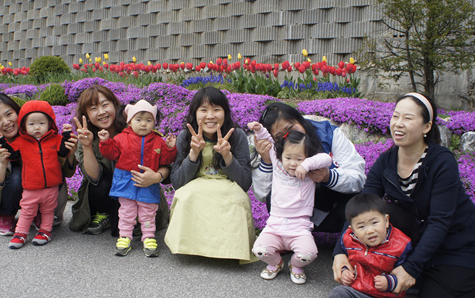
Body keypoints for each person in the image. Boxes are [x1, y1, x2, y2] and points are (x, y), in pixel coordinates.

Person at [332, 93, 475, 298]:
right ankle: (421, 271)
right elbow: (361, 207)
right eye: (395, 116)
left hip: (456, 244)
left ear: (427, 126)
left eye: (408, 118)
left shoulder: (442, 162)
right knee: (382, 212)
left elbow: (440, 221)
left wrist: (410, 268)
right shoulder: (386, 161)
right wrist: (340, 252)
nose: (398, 123)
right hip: (418, 239)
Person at [165, 86, 256, 262]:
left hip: (227, 184)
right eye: (203, 110)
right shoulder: (185, 136)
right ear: (195, 113)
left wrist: (227, 156)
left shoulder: (237, 136)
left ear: (225, 112)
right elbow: (177, 182)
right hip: (196, 183)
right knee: (185, 195)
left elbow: (245, 183)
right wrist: (193, 153)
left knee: (237, 198)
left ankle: (231, 249)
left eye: (216, 109)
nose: (210, 116)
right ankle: (190, 247)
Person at [69, 85, 171, 237]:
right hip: (110, 191)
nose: (102, 112)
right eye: (93, 108)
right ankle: (106, 214)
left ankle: (127, 219)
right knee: (100, 185)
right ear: (87, 115)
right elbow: (94, 177)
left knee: (120, 232)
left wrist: (156, 177)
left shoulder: (135, 126)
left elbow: (165, 164)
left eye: (105, 105)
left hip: (139, 188)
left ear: (115, 106)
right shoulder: (86, 136)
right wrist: (87, 146)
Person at [0, 93, 76, 236]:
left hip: (44, 186)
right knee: (16, 177)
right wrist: (2, 164)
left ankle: (40, 213)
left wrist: (69, 152)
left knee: (49, 171)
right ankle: (7, 215)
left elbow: (66, 171)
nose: (6, 122)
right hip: (10, 188)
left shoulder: (35, 131)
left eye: (9, 114)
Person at [252, 102, 365, 233]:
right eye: (280, 136)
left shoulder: (329, 134)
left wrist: (329, 177)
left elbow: (358, 178)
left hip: (334, 210)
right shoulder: (275, 147)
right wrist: (266, 161)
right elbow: (263, 195)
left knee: (357, 201)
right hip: (295, 215)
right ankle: (286, 238)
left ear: (299, 119)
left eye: (291, 128)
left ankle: (346, 240)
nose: (289, 137)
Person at [248, 121, 332, 284]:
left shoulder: (309, 171)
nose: (293, 163)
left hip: (299, 227)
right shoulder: (278, 164)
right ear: (281, 155)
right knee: (259, 250)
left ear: (307, 157)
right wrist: (259, 130)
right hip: (275, 225)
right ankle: (276, 263)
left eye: (299, 158)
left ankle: (295, 266)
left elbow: (326, 159)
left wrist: (306, 165)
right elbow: (268, 140)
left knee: (308, 254)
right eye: (288, 157)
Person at [320, 193, 414, 298]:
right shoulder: (348, 239)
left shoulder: (401, 244)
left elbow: (405, 272)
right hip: (356, 293)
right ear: (352, 230)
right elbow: (347, 260)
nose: (370, 230)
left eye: (375, 223)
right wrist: (346, 271)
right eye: (361, 226)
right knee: (338, 293)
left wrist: (390, 281)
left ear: (386, 220)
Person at [98, 99, 177, 257]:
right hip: (126, 182)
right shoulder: (121, 138)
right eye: (138, 119)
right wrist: (105, 141)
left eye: (149, 120)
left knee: (148, 212)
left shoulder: (158, 140)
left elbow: (166, 161)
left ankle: (148, 236)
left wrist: (169, 148)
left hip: (148, 184)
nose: (143, 124)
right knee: (126, 211)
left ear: (154, 123)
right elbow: (111, 154)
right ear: (129, 121)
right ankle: (125, 236)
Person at [0, 100, 74, 249]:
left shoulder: (55, 139)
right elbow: (11, 154)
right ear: (23, 125)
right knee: (27, 211)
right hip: (31, 188)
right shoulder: (21, 141)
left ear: (50, 123)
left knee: (48, 211)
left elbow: (64, 151)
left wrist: (67, 134)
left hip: (51, 186)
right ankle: (20, 233)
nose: (37, 127)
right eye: (31, 124)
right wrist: (0, 141)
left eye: (41, 123)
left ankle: (45, 231)